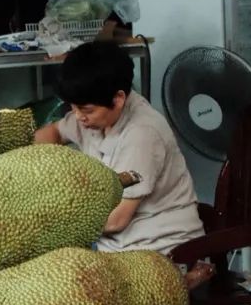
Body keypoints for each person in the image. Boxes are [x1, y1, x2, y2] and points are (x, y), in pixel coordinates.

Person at [34, 40, 206, 259]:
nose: (78, 117)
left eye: (86, 110)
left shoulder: (142, 134)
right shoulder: (94, 116)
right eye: (73, 108)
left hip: (160, 251)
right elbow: (54, 133)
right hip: (111, 247)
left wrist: (49, 227)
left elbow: (116, 220)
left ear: (118, 99)